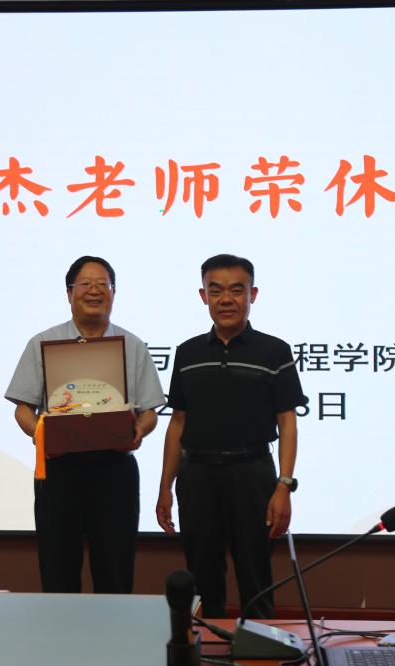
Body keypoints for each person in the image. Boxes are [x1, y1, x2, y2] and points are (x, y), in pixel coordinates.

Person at [156, 254, 304, 618]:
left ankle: (260, 644)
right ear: (203, 296)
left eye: (237, 290)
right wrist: (165, 487)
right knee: (202, 576)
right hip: (197, 475)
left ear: (252, 294)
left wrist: (284, 485)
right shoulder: (188, 353)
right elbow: (178, 423)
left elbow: (287, 423)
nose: (226, 299)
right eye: (216, 290)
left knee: (256, 575)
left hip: (252, 473)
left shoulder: (275, 351)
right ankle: (206, 645)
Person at [5, 256, 164, 594]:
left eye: (103, 284)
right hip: (59, 471)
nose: (95, 291)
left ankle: (113, 629)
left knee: (116, 572)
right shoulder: (43, 343)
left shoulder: (133, 346)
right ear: (69, 293)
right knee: (58, 571)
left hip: (115, 471)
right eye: (86, 284)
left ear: (114, 293)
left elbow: (149, 411)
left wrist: (141, 429)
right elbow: (23, 409)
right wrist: (40, 433)